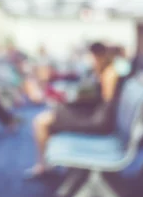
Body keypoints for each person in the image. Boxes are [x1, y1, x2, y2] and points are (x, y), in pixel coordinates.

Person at [28, 42, 120, 177]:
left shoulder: (109, 73)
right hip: (92, 114)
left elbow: (107, 102)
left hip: (97, 120)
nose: (88, 59)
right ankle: (46, 164)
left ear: (97, 55)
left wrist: (81, 98)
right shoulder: (103, 71)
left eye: (90, 56)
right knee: (48, 116)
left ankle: (43, 166)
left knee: (40, 122)